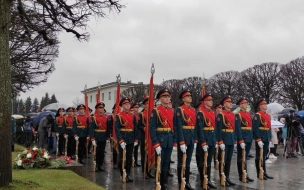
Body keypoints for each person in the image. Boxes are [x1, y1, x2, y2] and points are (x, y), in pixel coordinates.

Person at [150, 89, 175, 190]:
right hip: (160, 139)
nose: (168, 98)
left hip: (169, 138)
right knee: (159, 163)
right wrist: (155, 143)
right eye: (165, 96)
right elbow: (152, 128)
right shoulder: (156, 111)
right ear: (160, 98)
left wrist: (174, 140)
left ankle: (164, 183)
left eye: (168, 96)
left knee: (166, 163)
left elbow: (174, 127)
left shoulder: (171, 111)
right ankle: (158, 182)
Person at [216, 95, 244, 186]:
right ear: (224, 104)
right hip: (224, 139)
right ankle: (222, 178)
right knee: (223, 160)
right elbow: (218, 129)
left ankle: (227, 177)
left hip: (231, 139)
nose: (231, 103)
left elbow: (236, 129)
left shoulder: (233, 115)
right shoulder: (221, 115)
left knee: (228, 160)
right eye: (229, 102)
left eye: (231, 102)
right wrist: (220, 141)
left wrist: (236, 140)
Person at [175, 89, 197, 190]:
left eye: (190, 96)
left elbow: (195, 126)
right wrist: (181, 141)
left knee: (188, 161)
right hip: (184, 137)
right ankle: (181, 181)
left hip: (191, 137)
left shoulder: (193, 110)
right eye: (188, 96)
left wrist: (195, 139)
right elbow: (178, 126)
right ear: (183, 99)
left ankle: (187, 181)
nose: (190, 97)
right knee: (181, 160)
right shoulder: (179, 110)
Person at [196, 93, 217, 189]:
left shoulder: (213, 113)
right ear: (204, 102)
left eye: (211, 100)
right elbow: (199, 129)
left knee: (209, 162)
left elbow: (214, 127)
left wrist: (215, 140)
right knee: (202, 161)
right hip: (205, 139)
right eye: (209, 100)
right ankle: (202, 180)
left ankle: (208, 180)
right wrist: (203, 141)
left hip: (212, 139)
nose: (211, 102)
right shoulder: (201, 113)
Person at [115, 97, 139, 182]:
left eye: (128, 104)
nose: (127, 105)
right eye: (125, 104)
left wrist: (136, 139)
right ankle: (123, 174)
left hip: (131, 138)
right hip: (123, 138)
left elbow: (136, 128)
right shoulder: (119, 116)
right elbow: (117, 129)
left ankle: (128, 174)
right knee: (122, 157)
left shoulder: (132, 116)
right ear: (122, 106)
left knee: (129, 157)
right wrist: (120, 140)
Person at [252, 98, 273, 180]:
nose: (265, 105)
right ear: (260, 106)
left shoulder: (267, 115)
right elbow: (255, 128)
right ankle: (259, 172)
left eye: (265, 103)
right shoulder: (258, 115)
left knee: (264, 156)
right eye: (263, 104)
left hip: (266, 136)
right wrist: (258, 139)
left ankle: (264, 172)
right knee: (259, 155)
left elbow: (269, 127)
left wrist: (270, 137)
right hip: (261, 137)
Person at [235, 98, 254, 183]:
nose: (246, 105)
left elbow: (251, 126)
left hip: (249, 137)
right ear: (241, 105)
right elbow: (238, 128)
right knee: (241, 157)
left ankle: (245, 174)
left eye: (246, 103)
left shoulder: (249, 114)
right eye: (245, 103)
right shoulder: (238, 115)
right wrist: (240, 140)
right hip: (243, 137)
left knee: (245, 157)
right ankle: (241, 175)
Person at [90, 102, 111, 172]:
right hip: (96, 136)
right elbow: (91, 128)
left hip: (103, 136)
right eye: (100, 108)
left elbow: (108, 129)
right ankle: (96, 165)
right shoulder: (94, 118)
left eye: (102, 108)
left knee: (102, 152)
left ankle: (100, 165)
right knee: (96, 152)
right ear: (97, 109)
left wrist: (108, 137)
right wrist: (92, 138)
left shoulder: (106, 118)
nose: (101, 109)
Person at [138, 97, 155, 179]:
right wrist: (144, 128)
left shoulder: (154, 113)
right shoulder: (141, 114)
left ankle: (149, 171)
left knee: (151, 154)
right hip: (144, 137)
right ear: (145, 105)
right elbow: (139, 125)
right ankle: (144, 171)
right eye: (147, 104)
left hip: (152, 137)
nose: (149, 105)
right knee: (144, 155)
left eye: (151, 103)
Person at [107, 104, 118, 169]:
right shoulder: (111, 117)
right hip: (113, 135)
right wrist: (110, 134)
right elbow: (109, 127)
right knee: (115, 150)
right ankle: (114, 162)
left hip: (120, 135)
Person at [131, 102, 141, 167]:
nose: (136, 109)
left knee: (136, 149)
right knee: (132, 149)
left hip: (138, 134)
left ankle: (136, 161)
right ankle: (131, 161)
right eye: (135, 107)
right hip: (132, 134)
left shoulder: (139, 115)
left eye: (137, 107)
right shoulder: (131, 115)